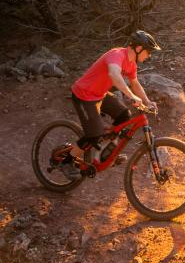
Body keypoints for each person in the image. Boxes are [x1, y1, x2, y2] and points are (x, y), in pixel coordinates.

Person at [61, 30, 161, 179]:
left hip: (99, 94)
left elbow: (135, 83)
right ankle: (66, 162)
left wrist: (147, 101)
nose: (149, 55)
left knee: (124, 116)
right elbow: (114, 75)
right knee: (93, 135)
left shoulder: (131, 63)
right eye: (148, 51)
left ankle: (105, 153)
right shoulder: (116, 55)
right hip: (83, 94)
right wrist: (132, 97)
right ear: (138, 48)